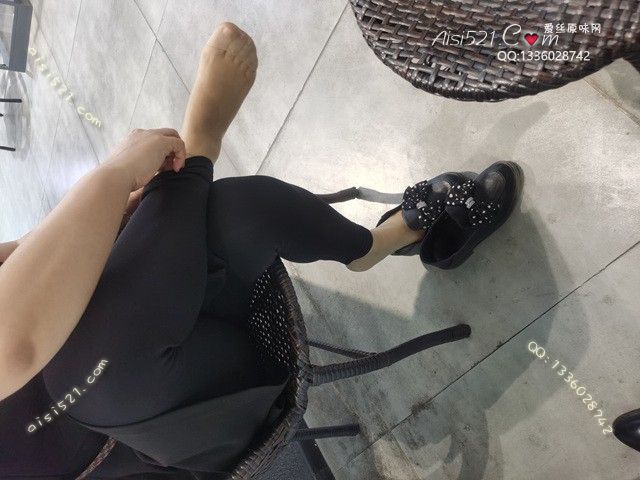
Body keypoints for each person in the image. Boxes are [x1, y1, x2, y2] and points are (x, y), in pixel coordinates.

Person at [0, 23, 522, 479]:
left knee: (242, 213)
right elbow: (14, 349)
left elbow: (12, 259)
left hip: (132, 319)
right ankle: (198, 148)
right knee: (87, 372)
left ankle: (375, 245)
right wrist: (111, 178)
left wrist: (99, 225)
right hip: (166, 426)